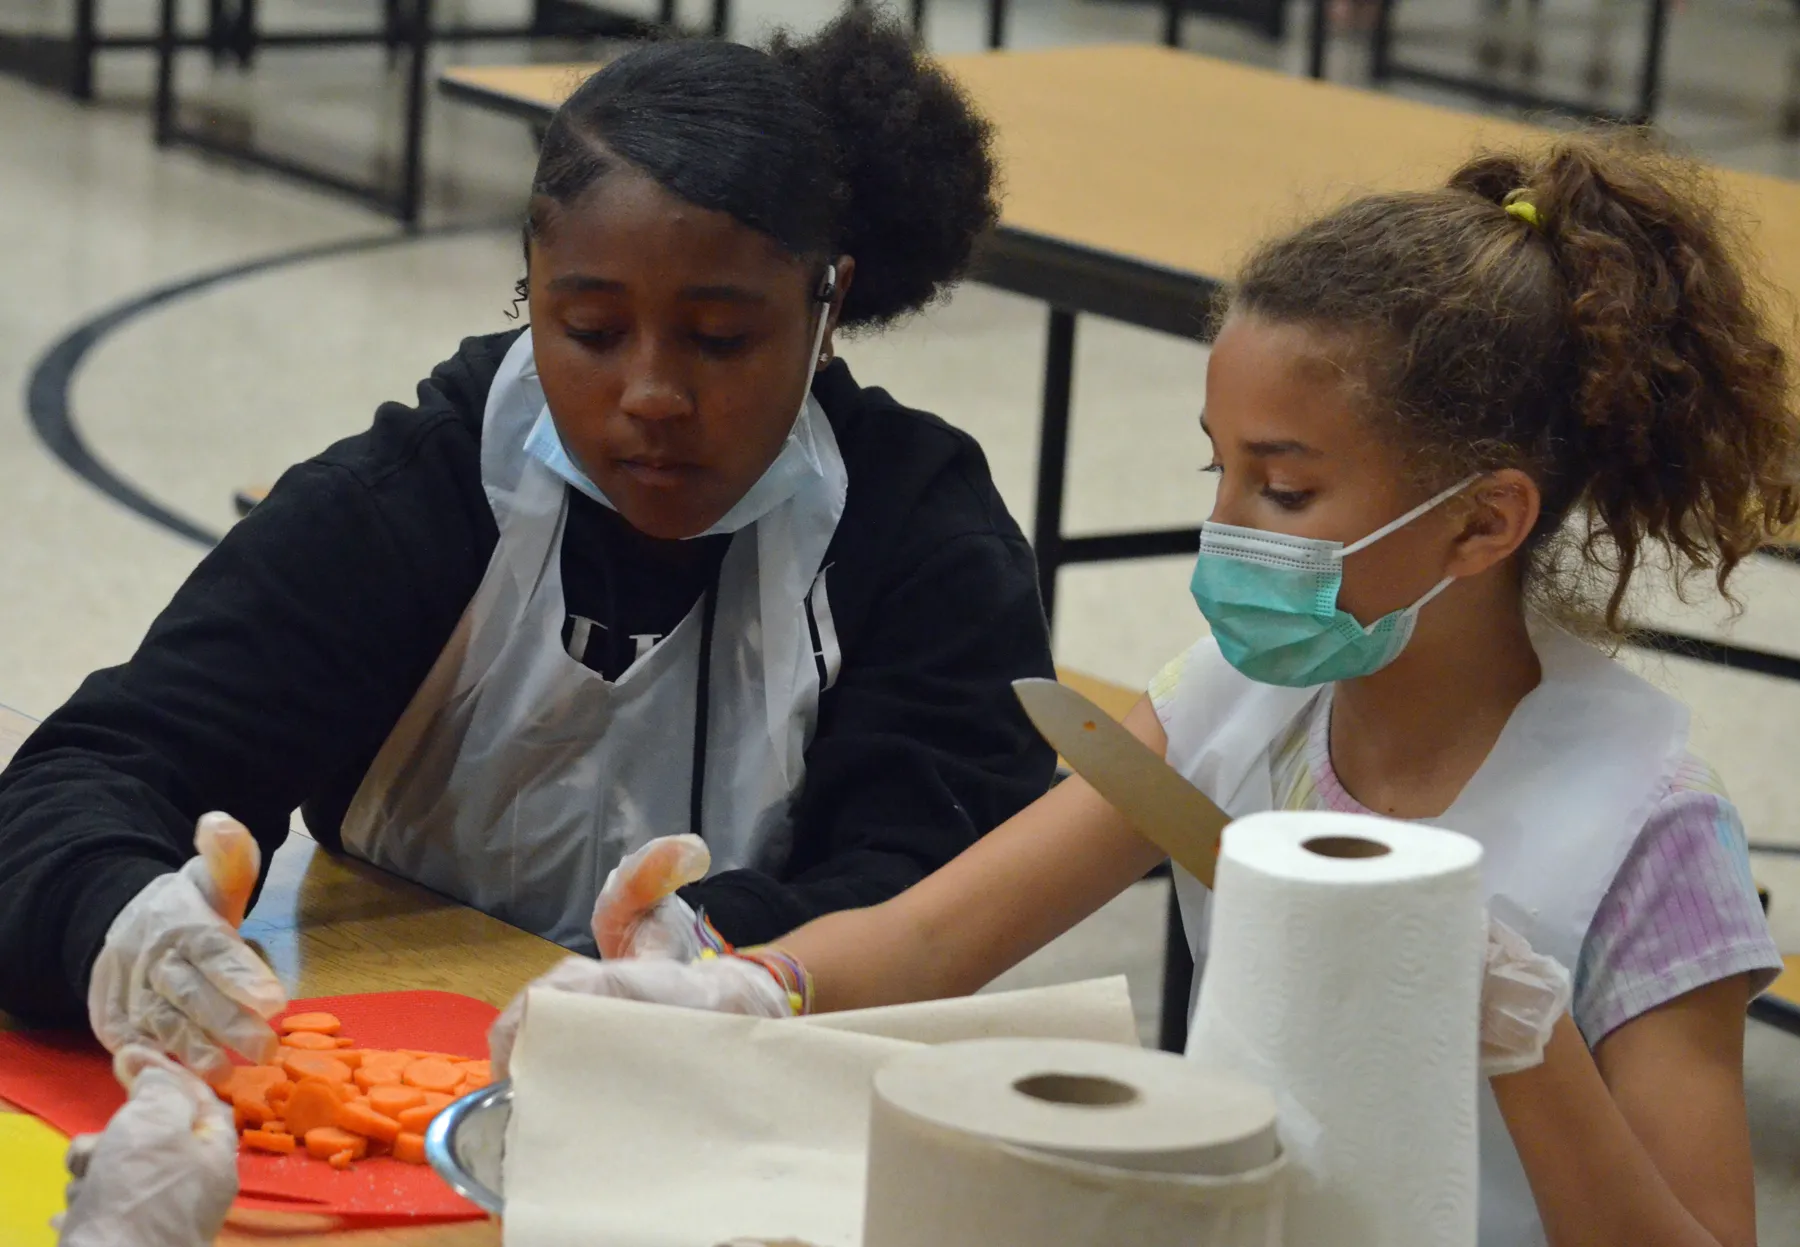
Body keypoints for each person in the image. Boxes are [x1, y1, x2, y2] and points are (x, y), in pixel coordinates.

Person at [508, 132, 1794, 1247]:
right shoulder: (1235, 703)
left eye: (1284, 489)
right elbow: (939, 935)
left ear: (1482, 522)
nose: (1226, 529)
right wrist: (740, 981)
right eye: (1215, 469)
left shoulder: (1643, 826)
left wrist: (1530, 1044)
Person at [0, 9, 1056, 1081]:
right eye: (591, 330)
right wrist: (120, 920)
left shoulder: (919, 541)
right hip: (397, 1064)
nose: (652, 393)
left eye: (721, 338)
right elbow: (90, 776)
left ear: (828, 305)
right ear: (533, 294)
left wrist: (725, 947)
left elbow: (937, 892)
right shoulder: (416, 497)